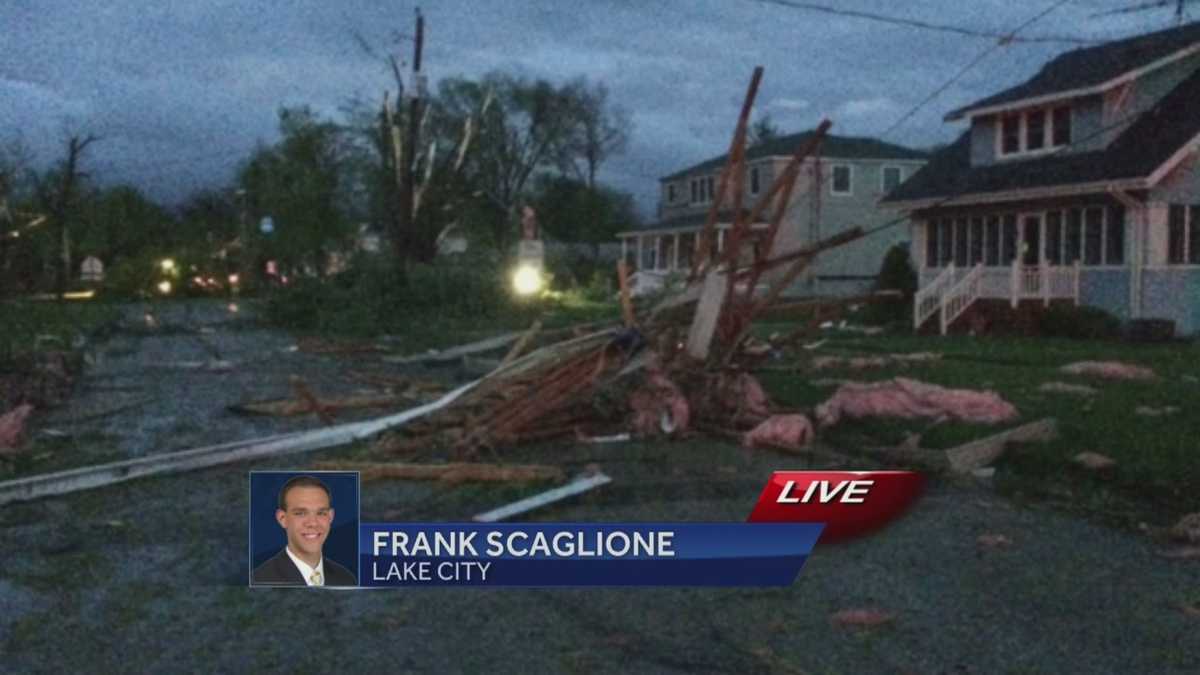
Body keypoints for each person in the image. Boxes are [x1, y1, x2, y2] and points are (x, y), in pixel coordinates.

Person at [252, 475, 356, 587]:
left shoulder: (346, 579)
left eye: (321, 513)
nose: (313, 523)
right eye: (300, 513)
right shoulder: (259, 581)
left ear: (330, 517)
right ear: (282, 518)